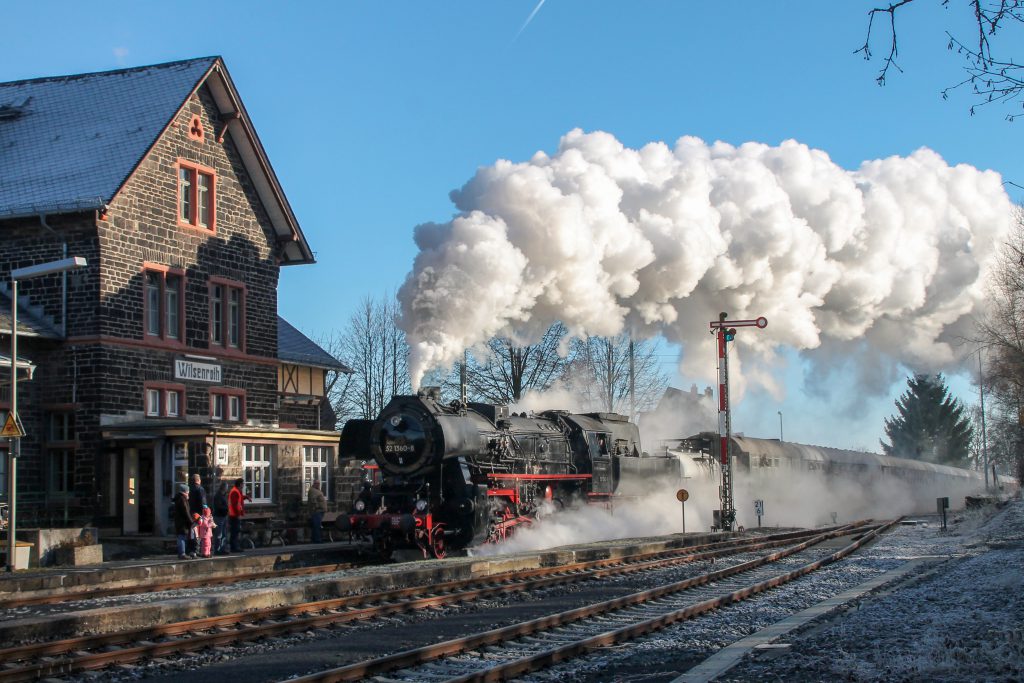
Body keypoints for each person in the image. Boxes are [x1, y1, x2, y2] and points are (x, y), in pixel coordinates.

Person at [173, 483, 195, 559]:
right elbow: (186, 511)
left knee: (181, 536)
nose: (188, 493)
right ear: (185, 491)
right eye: (188, 491)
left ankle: (182, 553)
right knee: (181, 537)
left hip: (180, 521)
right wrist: (191, 521)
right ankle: (182, 553)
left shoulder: (180, 498)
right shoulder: (182, 499)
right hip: (182, 522)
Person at [228, 478, 250, 552]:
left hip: (235, 515)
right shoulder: (235, 492)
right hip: (234, 515)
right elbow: (235, 505)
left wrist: (246, 497)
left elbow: (239, 498)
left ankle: (235, 547)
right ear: (240, 484)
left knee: (235, 531)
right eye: (243, 484)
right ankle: (234, 548)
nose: (243, 485)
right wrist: (238, 514)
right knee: (235, 532)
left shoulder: (237, 491)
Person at [212, 481, 229, 555]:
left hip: (223, 516)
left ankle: (222, 548)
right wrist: (227, 508)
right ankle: (217, 549)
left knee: (224, 534)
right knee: (219, 534)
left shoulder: (223, 495)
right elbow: (218, 507)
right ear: (224, 488)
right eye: (226, 487)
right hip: (219, 517)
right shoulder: (218, 496)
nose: (227, 489)